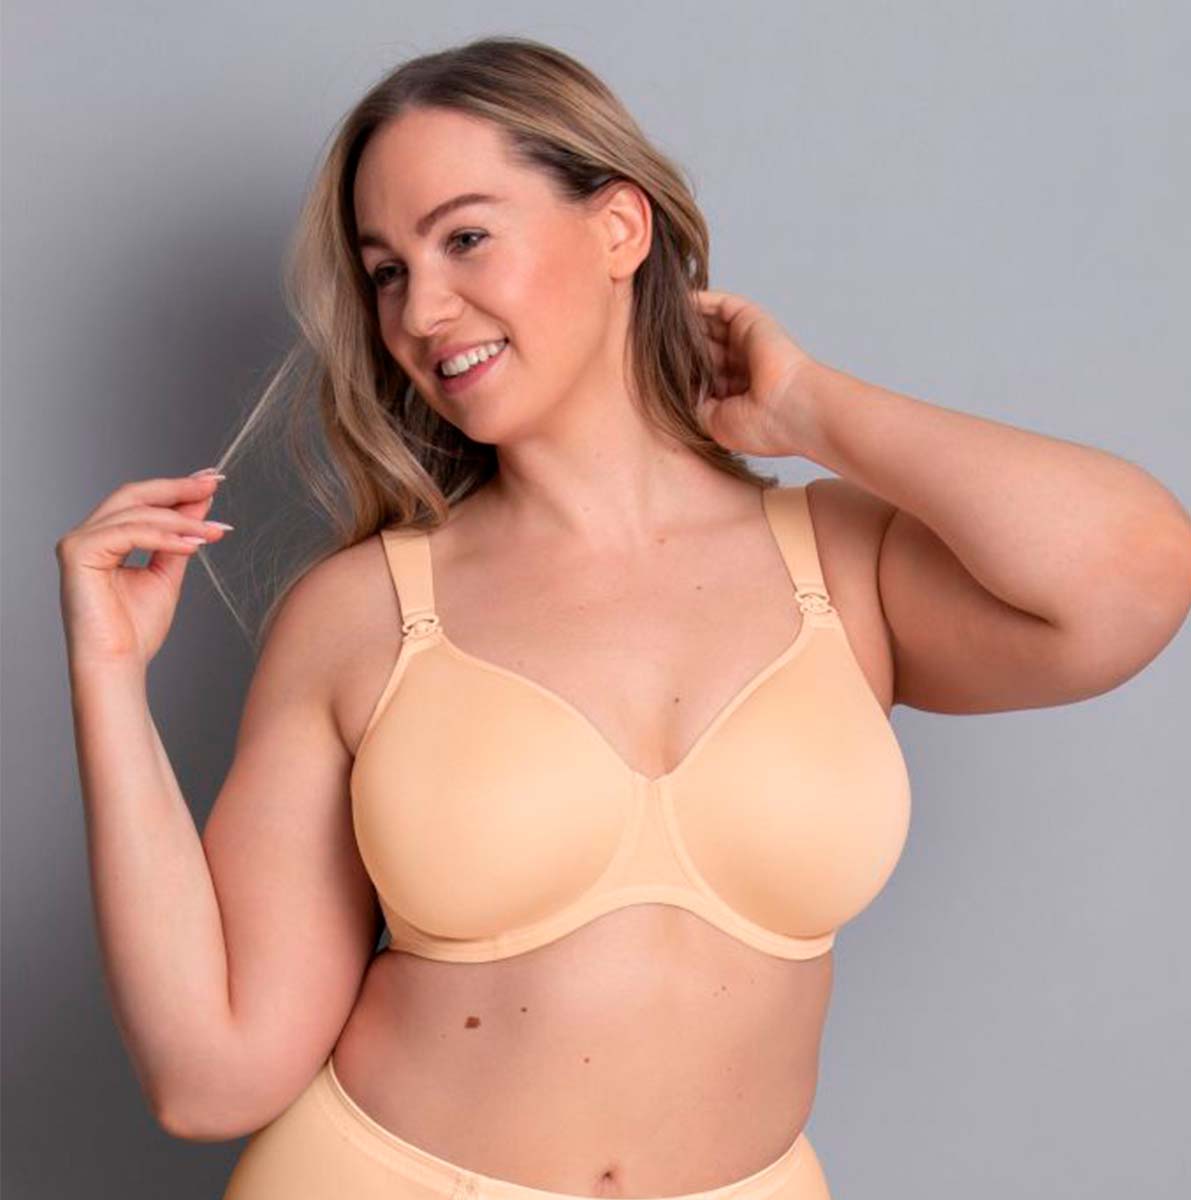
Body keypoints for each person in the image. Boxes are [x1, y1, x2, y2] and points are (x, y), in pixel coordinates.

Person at [55, 35, 1191, 1200]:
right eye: (387, 271)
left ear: (618, 229)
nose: (423, 310)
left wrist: (810, 407)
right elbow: (213, 1079)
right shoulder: (363, 616)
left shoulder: (844, 568)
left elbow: (1131, 575)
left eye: (464, 238)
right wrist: (108, 676)